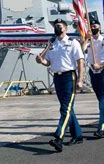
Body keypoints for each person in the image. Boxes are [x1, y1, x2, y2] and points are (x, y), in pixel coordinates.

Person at [35, 18, 85, 152]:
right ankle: (78, 135)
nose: (57, 28)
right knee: (68, 108)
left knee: (65, 109)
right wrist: (42, 61)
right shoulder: (52, 44)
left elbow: (80, 61)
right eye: (55, 26)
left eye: (60, 26)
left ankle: (59, 138)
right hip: (57, 78)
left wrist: (80, 79)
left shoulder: (73, 42)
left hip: (70, 77)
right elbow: (49, 62)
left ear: (66, 28)